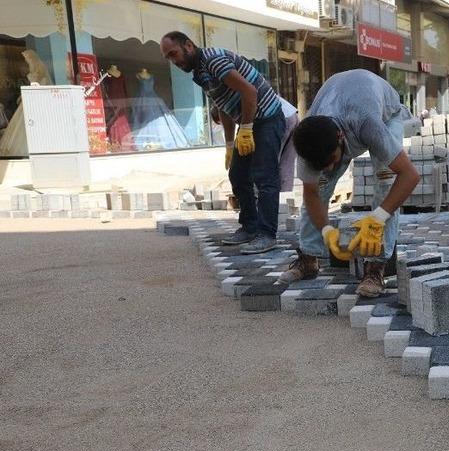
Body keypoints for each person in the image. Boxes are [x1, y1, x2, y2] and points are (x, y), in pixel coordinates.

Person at [278, 69, 420, 298]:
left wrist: (378, 218)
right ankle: (308, 258)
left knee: (386, 179)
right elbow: (311, 194)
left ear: (341, 138)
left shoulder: (367, 123)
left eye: (332, 160)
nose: (330, 169)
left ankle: (376, 268)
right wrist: (327, 231)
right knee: (321, 185)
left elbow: (410, 175)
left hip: (384, 113)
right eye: (321, 165)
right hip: (342, 101)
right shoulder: (308, 138)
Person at [160, 31, 298, 254]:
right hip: (250, 121)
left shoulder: (213, 60)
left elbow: (249, 92)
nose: (173, 61)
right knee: (238, 175)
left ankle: (266, 235)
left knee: (265, 177)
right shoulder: (200, 72)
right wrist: (229, 144)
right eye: (168, 57)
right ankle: (250, 228)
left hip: (267, 118)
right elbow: (223, 106)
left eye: (173, 53)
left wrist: (246, 129)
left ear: (188, 45)